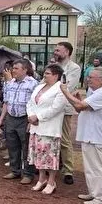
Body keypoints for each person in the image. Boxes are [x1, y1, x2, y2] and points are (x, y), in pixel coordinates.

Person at [61, 67, 102, 204]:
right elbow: (80, 106)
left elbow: (79, 105)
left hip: (94, 135)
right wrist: (77, 98)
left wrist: (65, 92)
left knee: (95, 167)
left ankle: (101, 197)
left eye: (91, 77)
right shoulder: (96, 92)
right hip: (89, 134)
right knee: (90, 167)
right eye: (88, 76)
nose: (88, 79)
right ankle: (94, 192)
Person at [26, 64, 67, 195]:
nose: (45, 75)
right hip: (36, 127)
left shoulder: (60, 89)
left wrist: (38, 116)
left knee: (50, 156)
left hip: (49, 127)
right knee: (38, 155)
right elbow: (30, 103)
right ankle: (42, 179)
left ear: (56, 75)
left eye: (48, 73)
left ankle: (51, 181)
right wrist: (30, 115)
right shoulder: (39, 87)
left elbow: (56, 108)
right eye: (45, 73)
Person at [0, 59, 38, 184]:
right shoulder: (10, 83)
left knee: (26, 147)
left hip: (25, 118)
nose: (13, 70)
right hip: (11, 117)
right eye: (13, 68)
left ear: (25, 69)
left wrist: (31, 121)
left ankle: (28, 173)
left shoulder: (33, 84)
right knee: (12, 146)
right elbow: (6, 102)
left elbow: (37, 103)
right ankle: (15, 170)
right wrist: (1, 120)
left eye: (16, 68)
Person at [53, 41, 81, 185]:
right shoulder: (52, 67)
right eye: (55, 50)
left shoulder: (74, 68)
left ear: (67, 52)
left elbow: (67, 87)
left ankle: (68, 170)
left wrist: (52, 88)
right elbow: (44, 83)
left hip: (64, 108)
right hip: (51, 107)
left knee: (64, 139)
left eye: (58, 50)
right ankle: (53, 164)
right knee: (51, 137)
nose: (55, 52)